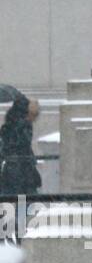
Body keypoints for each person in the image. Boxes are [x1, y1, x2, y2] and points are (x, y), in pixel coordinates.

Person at [0, 90, 41, 243]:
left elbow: (6, 146)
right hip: (22, 171)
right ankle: (18, 236)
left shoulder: (8, 124)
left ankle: (8, 236)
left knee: (9, 204)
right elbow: (23, 145)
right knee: (24, 204)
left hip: (9, 171)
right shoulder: (24, 125)